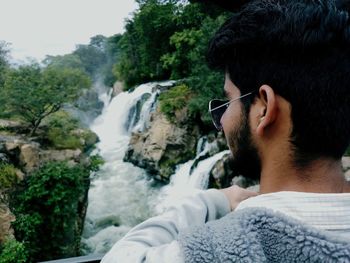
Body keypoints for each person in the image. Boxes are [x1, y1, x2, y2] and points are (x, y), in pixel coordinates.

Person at [102, 0, 350, 262]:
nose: (220, 122)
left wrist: (213, 201)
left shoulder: (217, 250)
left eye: (227, 101)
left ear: (264, 109)